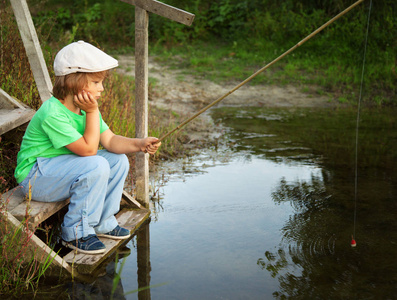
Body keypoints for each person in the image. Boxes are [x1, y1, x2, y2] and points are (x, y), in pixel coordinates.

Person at [14, 41, 161, 254]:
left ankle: (102, 221)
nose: (101, 88)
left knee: (117, 160)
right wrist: (93, 112)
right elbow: (88, 151)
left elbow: (110, 141)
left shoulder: (85, 110)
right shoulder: (53, 112)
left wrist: (139, 144)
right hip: (35, 178)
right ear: (75, 82)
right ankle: (76, 232)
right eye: (95, 82)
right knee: (96, 164)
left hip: (61, 170)